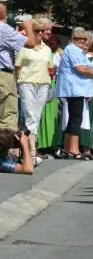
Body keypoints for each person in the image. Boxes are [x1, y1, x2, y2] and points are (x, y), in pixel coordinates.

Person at [57, 28, 93, 160]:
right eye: (80, 39)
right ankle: (74, 150)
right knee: (76, 119)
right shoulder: (73, 49)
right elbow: (80, 68)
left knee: (73, 119)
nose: (83, 42)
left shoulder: (78, 51)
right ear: (74, 40)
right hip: (74, 89)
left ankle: (67, 148)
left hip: (76, 89)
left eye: (85, 39)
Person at [15, 18, 52, 165]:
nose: (40, 34)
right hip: (26, 82)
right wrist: (15, 85)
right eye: (37, 31)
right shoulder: (24, 48)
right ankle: (31, 152)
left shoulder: (47, 49)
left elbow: (50, 69)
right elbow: (17, 68)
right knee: (30, 115)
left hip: (42, 83)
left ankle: (30, 152)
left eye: (42, 31)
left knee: (36, 117)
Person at [0, 0, 35, 131]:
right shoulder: (3, 29)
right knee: (7, 116)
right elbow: (31, 43)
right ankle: (2, 151)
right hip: (3, 75)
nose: (6, 6)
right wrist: (28, 27)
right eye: (3, 4)